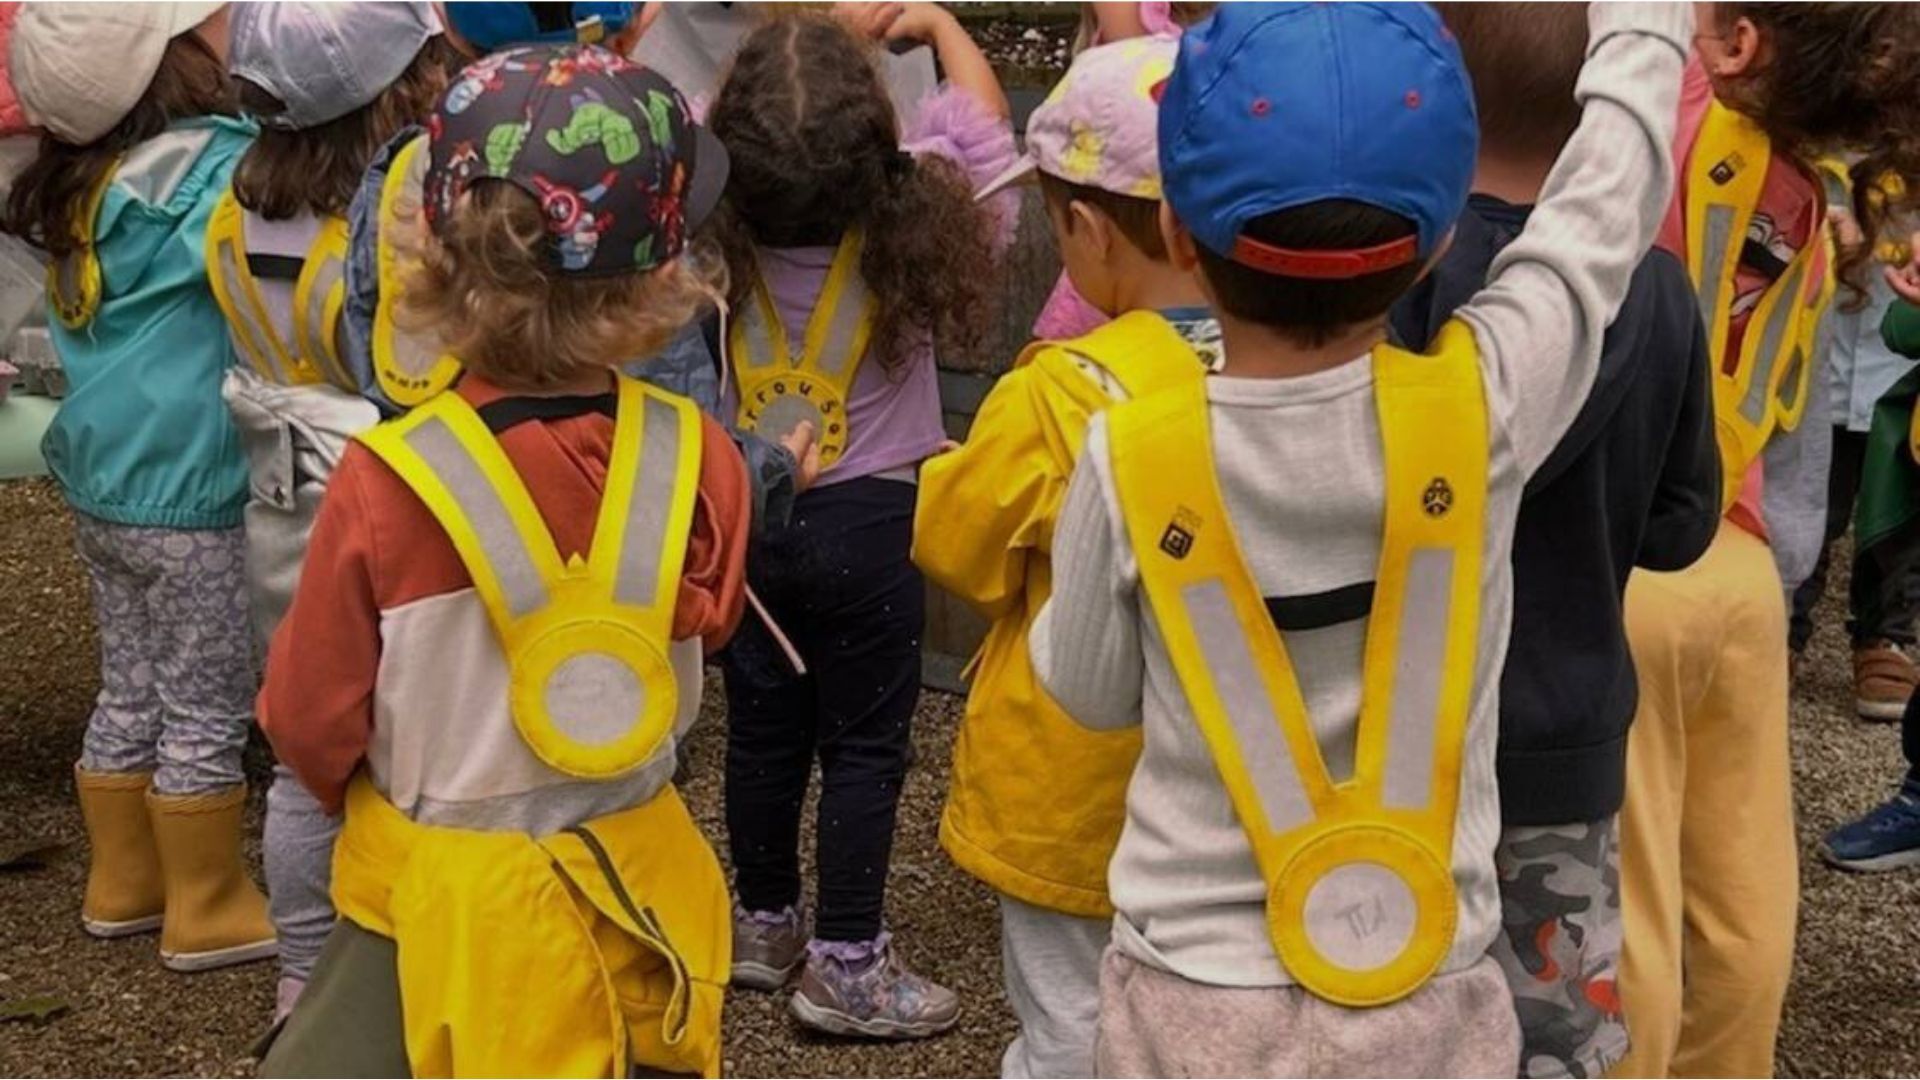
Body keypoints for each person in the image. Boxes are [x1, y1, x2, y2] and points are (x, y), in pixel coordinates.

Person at [1030, 2, 1690, 1075]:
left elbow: (1091, 691)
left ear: (1178, 234)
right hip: (1425, 993)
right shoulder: (1484, 413)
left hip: (1190, 999)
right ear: (1438, 243)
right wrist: (1645, 22)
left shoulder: (1128, 455)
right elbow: (1601, 215)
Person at [255, 44, 749, 1077]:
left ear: (433, 250)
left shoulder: (385, 482)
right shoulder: (701, 456)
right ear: (662, 272)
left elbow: (308, 719)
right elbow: (708, 627)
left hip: (441, 916)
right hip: (635, 893)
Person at [1392, 6, 1721, 1075]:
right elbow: (1681, 524)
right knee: (1554, 1025)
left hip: (1410, 727)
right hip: (1566, 729)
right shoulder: (1657, 289)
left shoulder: (1406, 275)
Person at [1614, 6, 1920, 1073]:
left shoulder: (1668, 107)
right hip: (1743, 563)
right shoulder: (1824, 183)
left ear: (1740, 44)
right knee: (1744, 890)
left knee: (1630, 899)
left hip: (1629, 557)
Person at [912, 37, 1214, 1079]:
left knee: (1069, 1026)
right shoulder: (1302, 369)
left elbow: (960, 549)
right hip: (1230, 797)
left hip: (1073, 793)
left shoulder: (1056, 393)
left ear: (1086, 228)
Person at [711, 5, 1014, 1039]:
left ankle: (762, 923)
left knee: (760, 728)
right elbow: (985, 133)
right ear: (876, 140)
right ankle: (847, 962)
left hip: (749, 512)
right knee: (865, 746)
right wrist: (938, 26)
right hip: (875, 523)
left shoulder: (704, 229)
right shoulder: (920, 221)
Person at [1, 2, 278, 974]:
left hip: (104, 485)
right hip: (195, 488)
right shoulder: (217, 172)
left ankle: (122, 882)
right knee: (207, 703)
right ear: (171, 65)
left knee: (131, 686)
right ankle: (206, 903)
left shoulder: (68, 185)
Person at [341, 0, 815, 538]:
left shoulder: (406, 175)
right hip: (638, 543)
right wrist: (767, 477)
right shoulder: (635, 177)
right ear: (666, 277)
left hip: (437, 508)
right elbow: (675, 450)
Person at [209, 1, 452, 1021]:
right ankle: (398, 956)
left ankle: (301, 973)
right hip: (373, 515)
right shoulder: (377, 235)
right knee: (406, 751)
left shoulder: (232, 211)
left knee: (304, 754)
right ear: (395, 94)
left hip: (278, 506)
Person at [1790, 252, 1920, 721]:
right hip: (1814, 363)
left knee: (1901, 517)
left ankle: (1886, 634)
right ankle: (1783, 628)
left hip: (1902, 374)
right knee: (1804, 508)